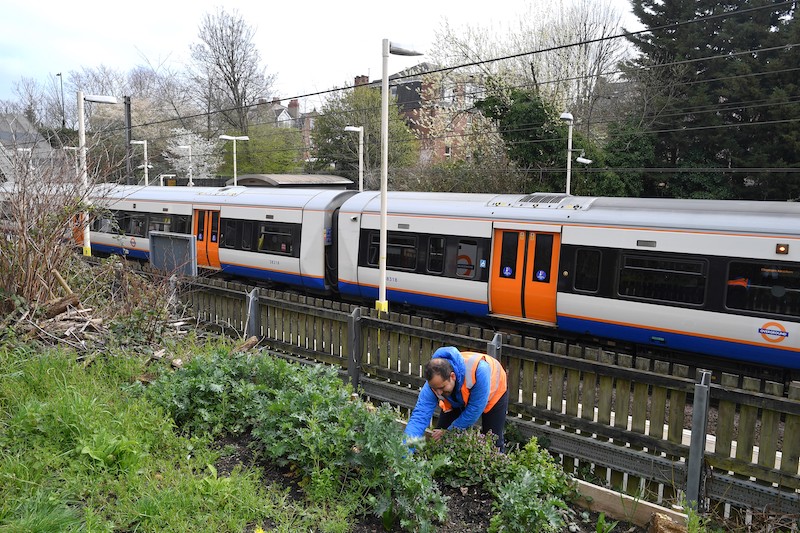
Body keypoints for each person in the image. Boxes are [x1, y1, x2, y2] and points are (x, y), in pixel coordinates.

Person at [404, 346, 509, 452]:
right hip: (458, 395)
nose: (438, 393)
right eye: (435, 389)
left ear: (452, 376)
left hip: (494, 393)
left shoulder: (479, 371)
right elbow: (419, 418)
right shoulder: (434, 384)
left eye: (442, 388)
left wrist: (449, 432)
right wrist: (404, 453)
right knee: (439, 438)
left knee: (492, 441)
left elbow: (474, 410)